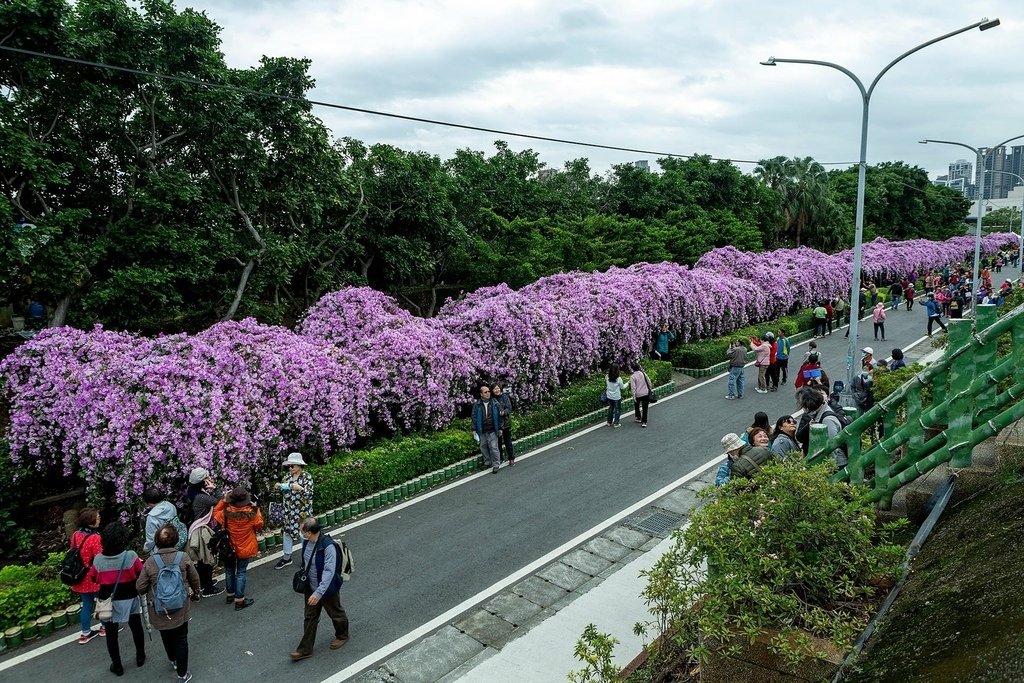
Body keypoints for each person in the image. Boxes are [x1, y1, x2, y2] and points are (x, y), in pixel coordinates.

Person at [136, 525, 201, 683]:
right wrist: (196, 593)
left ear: (156, 542)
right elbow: (195, 579)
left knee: (166, 635)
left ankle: (173, 659)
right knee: (181, 638)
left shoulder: (150, 562)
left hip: (160, 609)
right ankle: (182, 675)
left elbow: (140, 587)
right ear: (176, 541)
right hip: (180, 607)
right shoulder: (183, 557)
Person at [289, 517, 350, 661]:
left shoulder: (328, 546)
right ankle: (305, 650)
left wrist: (319, 593)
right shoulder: (306, 541)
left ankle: (343, 635)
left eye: (302, 530)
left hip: (327, 589)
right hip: (311, 586)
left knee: (336, 613)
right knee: (310, 617)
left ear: (310, 532)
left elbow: (329, 572)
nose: (301, 533)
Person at [91, 521, 145, 676]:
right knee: (136, 627)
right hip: (130, 597)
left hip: (108, 601)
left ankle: (117, 665)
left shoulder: (98, 560)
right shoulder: (130, 556)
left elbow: (94, 578)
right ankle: (140, 656)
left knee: (111, 634)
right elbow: (140, 573)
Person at [212, 486, 264, 610]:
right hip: (246, 547)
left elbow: (215, 513)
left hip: (229, 547)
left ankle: (230, 595)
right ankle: (239, 600)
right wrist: (256, 508)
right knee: (241, 572)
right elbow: (259, 524)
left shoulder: (226, 513)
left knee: (229, 570)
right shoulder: (252, 513)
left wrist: (223, 501)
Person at [184, 468, 223, 597]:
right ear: (203, 481)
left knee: (202, 558)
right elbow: (220, 501)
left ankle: (203, 583)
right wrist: (215, 488)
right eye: (207, 478)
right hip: (202, 530)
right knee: (207, 558)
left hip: (196, 527)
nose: (210, 478)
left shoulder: (192, 491)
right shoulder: (201, 497)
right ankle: (208, 588)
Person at [275, 452, 315, 570]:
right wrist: (278, 487)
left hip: (303, 512)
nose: (290, 468)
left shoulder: (307, 477)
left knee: (304, 535)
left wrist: (300, 489)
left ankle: (307, 559)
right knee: (287, 533)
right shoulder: (287, 477)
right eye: (289, 466)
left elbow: (310, 495)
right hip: (288, 512)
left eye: (293, 466)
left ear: (299, 466)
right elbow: (282, 491)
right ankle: (287, 558)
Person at [70, 508, 104, 643]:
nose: (99, 518)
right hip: (93, 576)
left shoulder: (75, 535)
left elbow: (73, 551)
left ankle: (85, 633)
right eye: (97, 517)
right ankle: (105, 627)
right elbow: (99, 558)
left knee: (86, 604)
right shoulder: (95, 538)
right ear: (91, 522)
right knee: (102, 602)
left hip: (79, 576)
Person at [795, 387, 846, 468]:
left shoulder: (827, 419)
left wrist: (828, 467)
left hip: (833, 464)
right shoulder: (818, 415)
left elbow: (832, 446)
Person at [143, 488, 185, 555]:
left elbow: (151, 540)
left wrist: (145, 549)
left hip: (164, 547)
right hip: (179, 539)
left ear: (149, 503)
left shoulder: (152, 517)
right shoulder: (170, 505)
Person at [472, 384, 502, 473]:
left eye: (488, 391)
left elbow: (500, 417)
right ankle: (487, 462)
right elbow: (474, 417)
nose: (488, 393)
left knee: (493, 447)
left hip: (493, 429)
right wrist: (473, 429)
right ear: (481, 394)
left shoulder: (495, 403)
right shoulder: (477, 405)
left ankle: (496, 464)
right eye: (485, 392)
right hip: (482, 430)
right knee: (483, 447)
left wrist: (500, 428)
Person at [492, 383, 516, 464]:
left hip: (506, 423)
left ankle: (511, 458)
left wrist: (504, 412)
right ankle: (500, 458)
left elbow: (509, 408)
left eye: (498, 388)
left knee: (508, 441)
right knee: (498, 443)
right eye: (495, 389)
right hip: (496, 424)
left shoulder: (505, 397)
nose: (497, 390)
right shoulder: (491, 399)